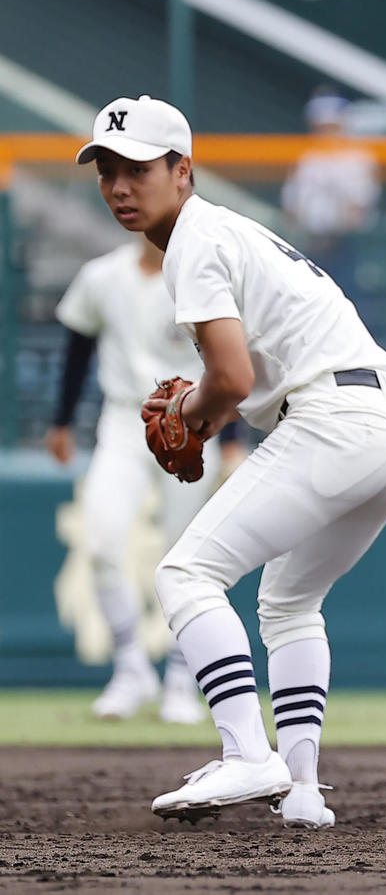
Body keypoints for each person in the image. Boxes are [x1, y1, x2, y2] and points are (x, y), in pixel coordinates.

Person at [75, 94, 386, 827]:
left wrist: (188, 414)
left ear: (183, 170)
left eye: (138, 169)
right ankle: (301, 789)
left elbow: (231, 381)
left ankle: (246, 752)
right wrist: (200, 410)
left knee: (184, 573)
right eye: (106, 170)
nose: (119, 187)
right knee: (289, 603)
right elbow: (242, 378)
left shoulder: (194, 243)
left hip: (332, 423)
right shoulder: (227, 231)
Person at [44, 235, 222, 725]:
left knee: (186, 558)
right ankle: (130, 668)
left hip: (190, 421)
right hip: (123, 420)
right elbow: (78, 350)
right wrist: (61, 422)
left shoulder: (199, 277)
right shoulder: (102, 275)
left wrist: (231, 439)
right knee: (101, 542)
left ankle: (182, 679)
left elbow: (227, 359)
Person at [280, 88, 380, 308]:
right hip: (309, 243)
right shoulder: (307, 156)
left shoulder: (358, 157)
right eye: (321, 128)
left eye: (331, 127)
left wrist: (335, 231)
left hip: (345, 245)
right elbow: (292, 204)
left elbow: (359, 208)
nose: (326, 133)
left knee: (347, 302)